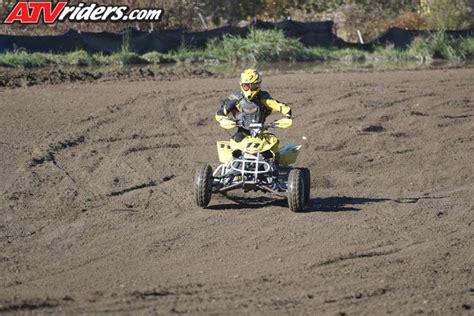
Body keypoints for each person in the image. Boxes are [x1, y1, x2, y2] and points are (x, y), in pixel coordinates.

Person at [215, 68, 292, 148]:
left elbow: (283, 108)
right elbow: (220, 113)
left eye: (253, 86)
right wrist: (224, 120)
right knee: (234, 143)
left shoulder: (264, 98)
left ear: (258, 84)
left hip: (261, 132)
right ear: (241, 85)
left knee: (274, 142)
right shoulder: (235, 99)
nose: (249, 89)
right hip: (243, 131)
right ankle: (234, 159)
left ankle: (274, 160)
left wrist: (287, 117)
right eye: (246, 86)